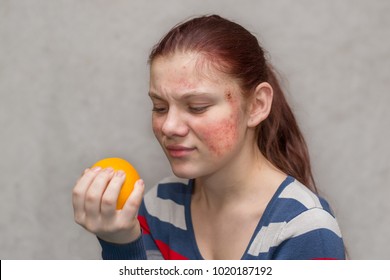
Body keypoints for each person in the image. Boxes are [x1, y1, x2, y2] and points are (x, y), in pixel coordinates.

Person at [72, 14, 345, 260]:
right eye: (160, 107)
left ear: (257, 105)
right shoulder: (159, 207)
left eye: (197, 107)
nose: (169, 126)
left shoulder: (304, 229)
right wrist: (121, 243)